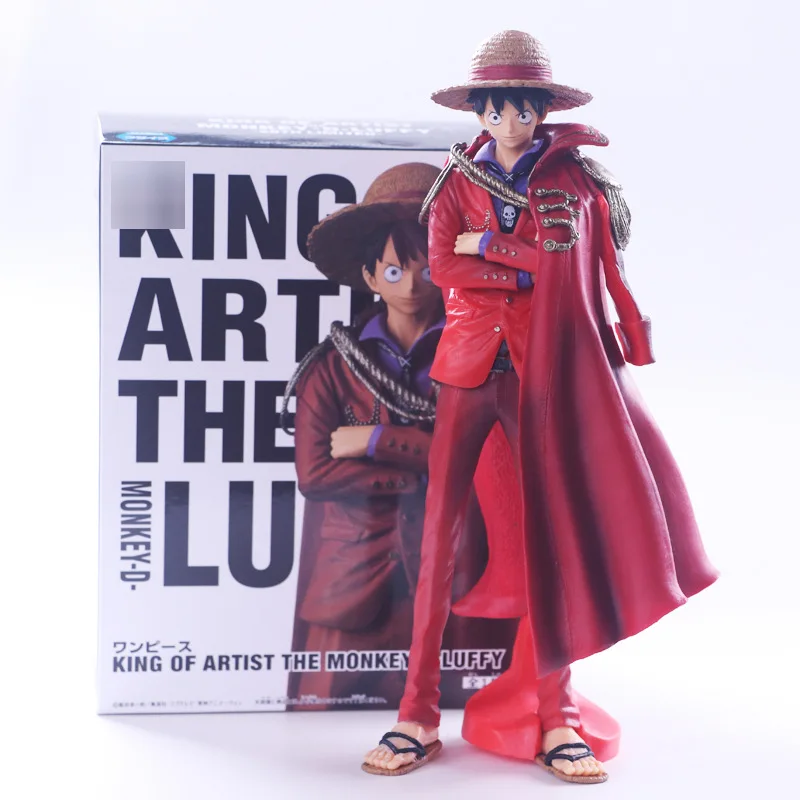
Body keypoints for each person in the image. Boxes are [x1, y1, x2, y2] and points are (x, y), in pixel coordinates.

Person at [362, 30, 718, 784]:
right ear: (480, 111)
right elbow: (443, 266)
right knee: (439, 537)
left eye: (520, 108)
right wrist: (511, 262)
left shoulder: (575, 184)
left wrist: (491, 248)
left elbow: (569, 268)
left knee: (550, 540)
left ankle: (557, 716)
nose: (507, 121)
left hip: (542, 372)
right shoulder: (454, 180)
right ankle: (416, 712)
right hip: (466, 371)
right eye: (494, 109)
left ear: (540, 110)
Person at [283, 162, 516, 711]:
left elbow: (489, 461)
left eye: (428, 268)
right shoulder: (330, 369)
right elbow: (314, 474)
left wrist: (376, 442)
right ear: (369, 277)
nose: (411, 285)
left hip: (459, 576)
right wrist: (425, 471)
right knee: (321, 707)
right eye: (393, 271)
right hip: (350, 585)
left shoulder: (487, 358)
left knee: (470, 704)